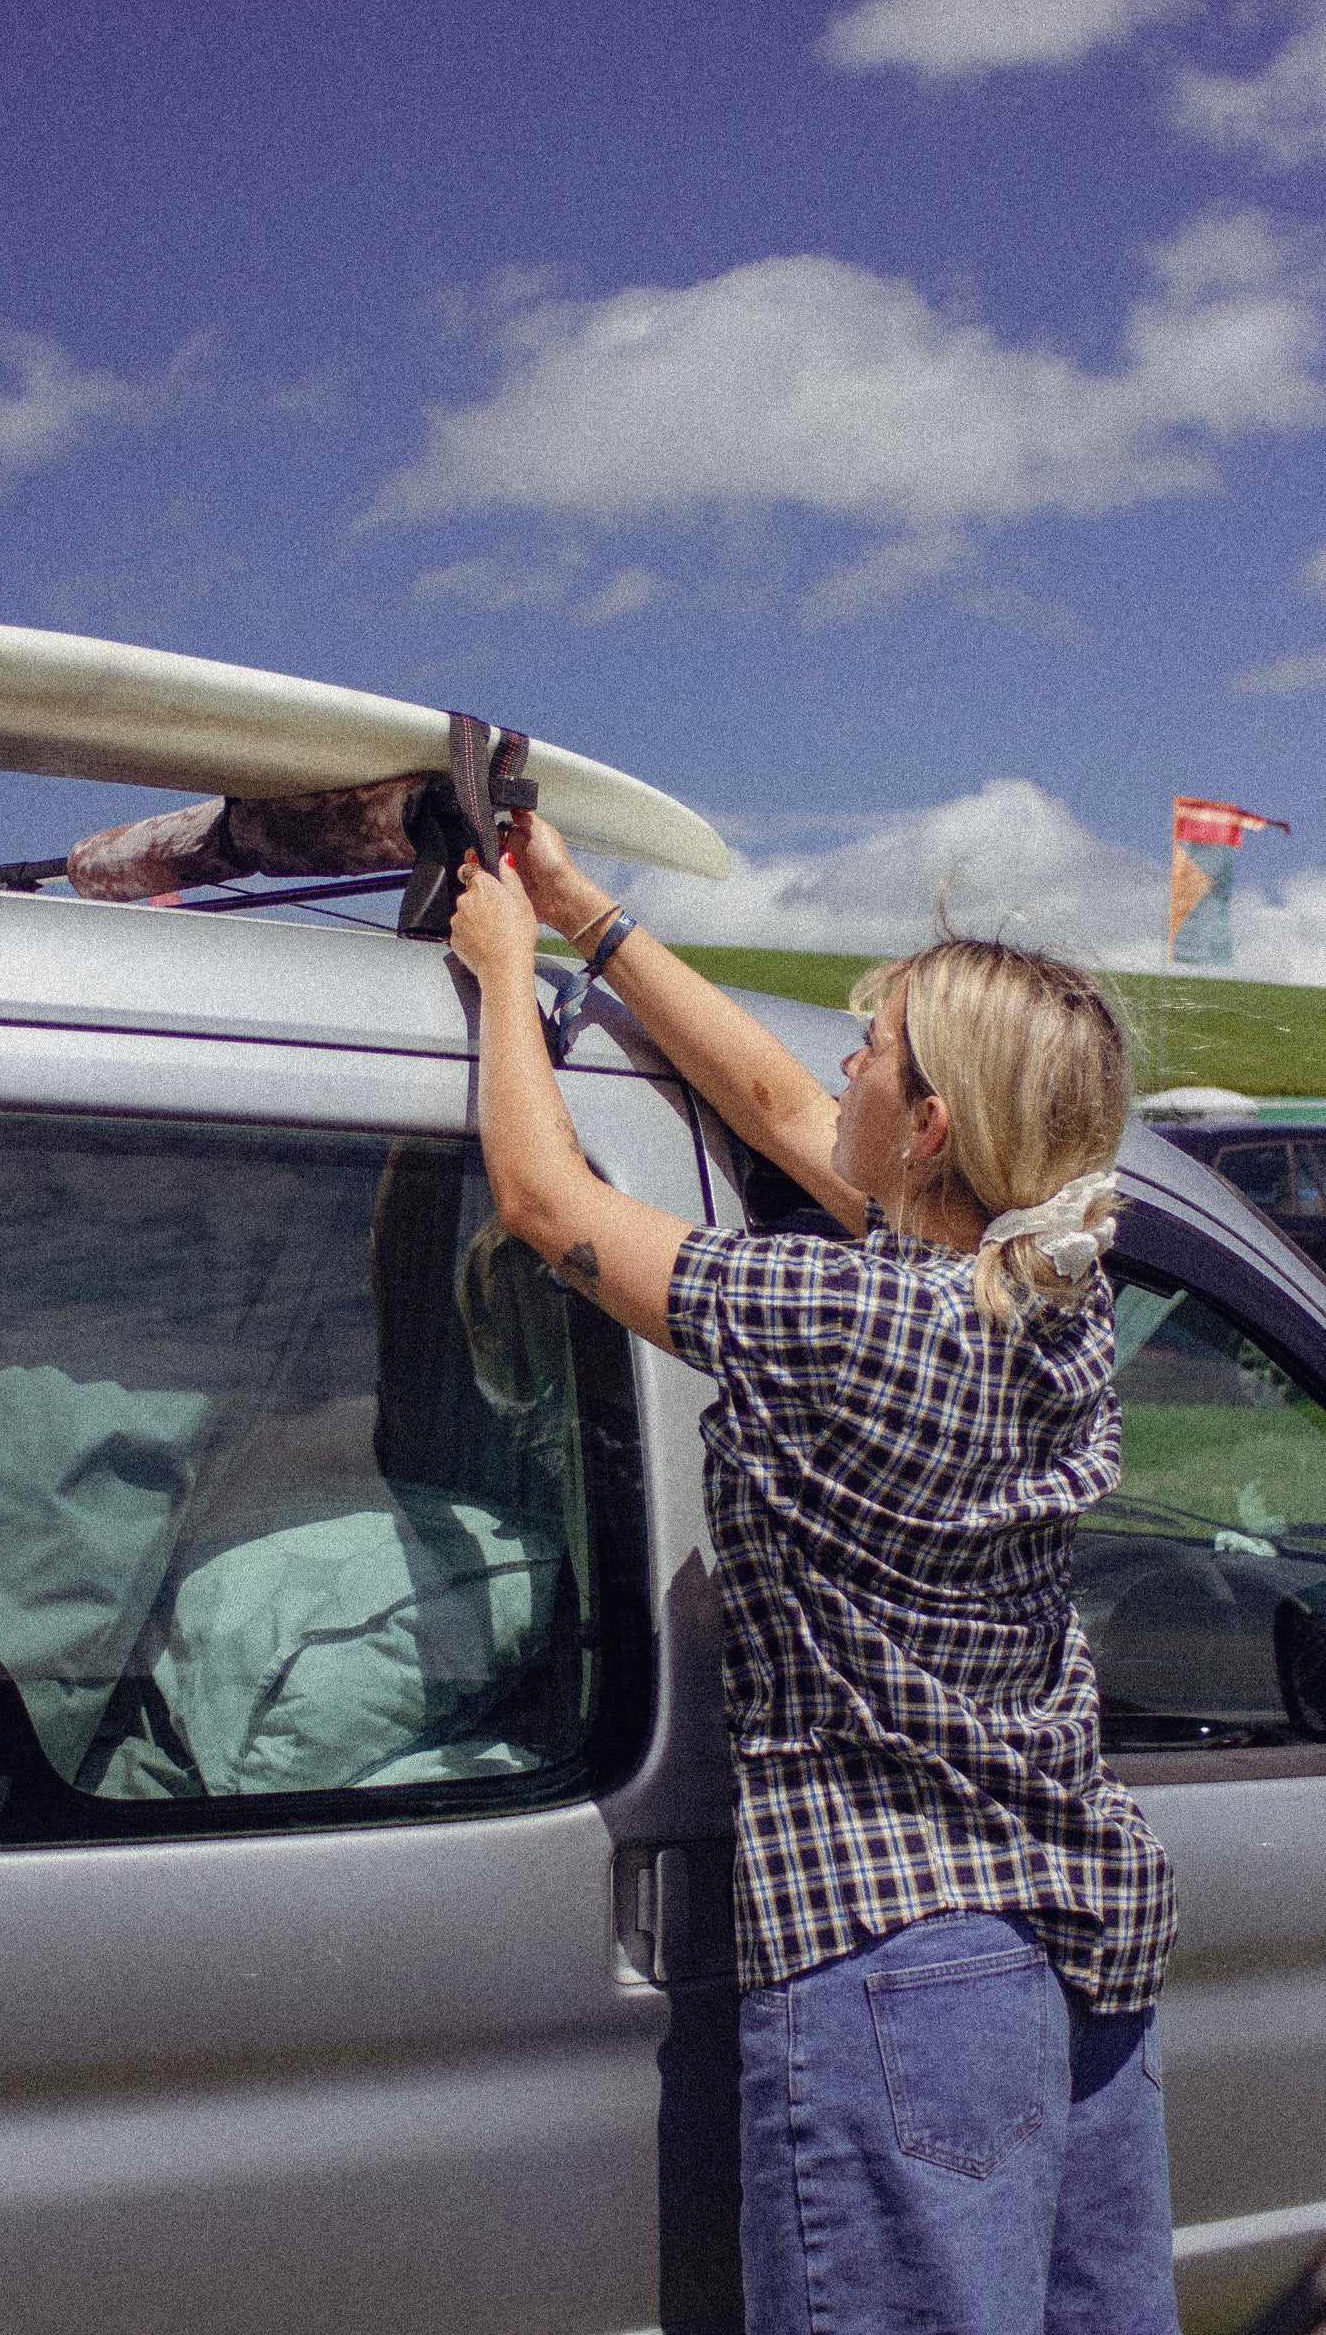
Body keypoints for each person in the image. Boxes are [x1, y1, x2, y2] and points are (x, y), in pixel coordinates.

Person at [449, 812, 1181, 2335]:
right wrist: (590, 915)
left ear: (925, 1129)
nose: (839, 1062)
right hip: (1075, 1950)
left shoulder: (843, 1317)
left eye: (875, 1049)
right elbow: (779, 1102)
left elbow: (544, 1203)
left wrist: (503, 970)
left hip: (895, 1975)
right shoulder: (1050, 1296)